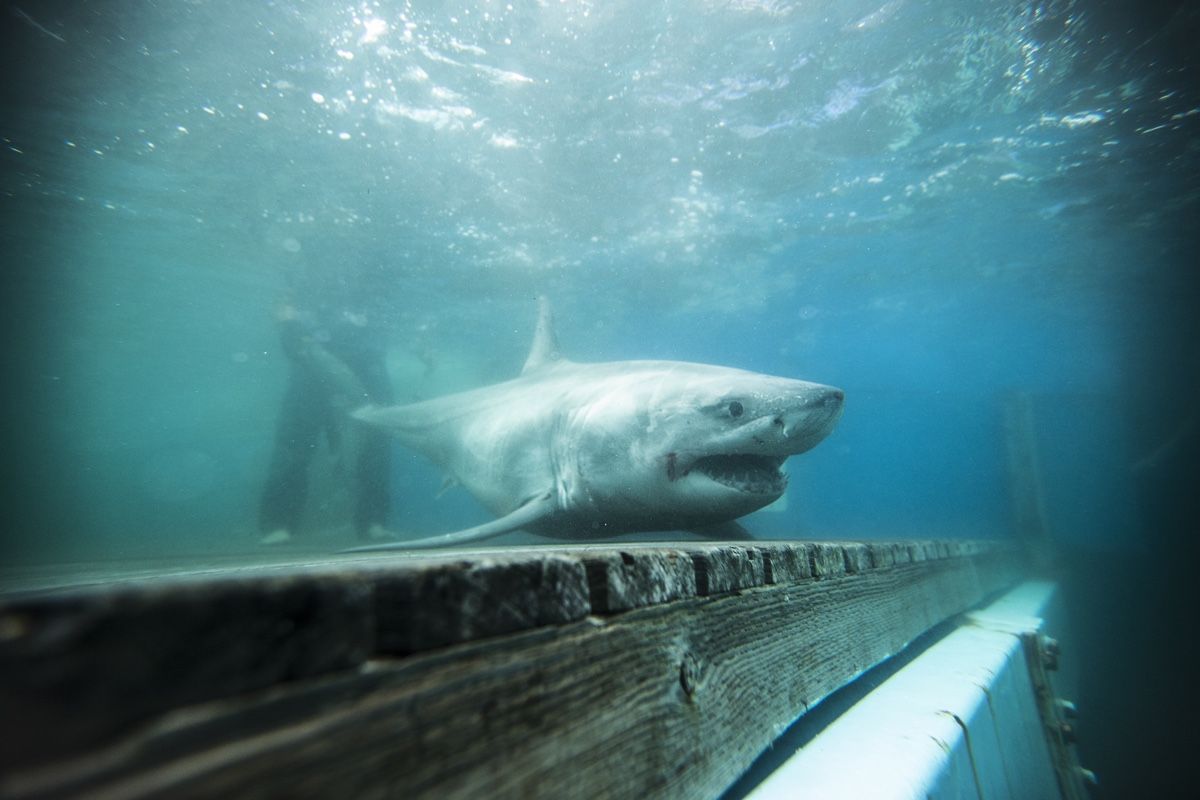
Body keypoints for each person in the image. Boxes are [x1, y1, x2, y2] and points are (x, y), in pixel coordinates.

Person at [258, 288, 396, 545]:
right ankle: (278, 523)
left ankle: (373, 521)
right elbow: (285, 314)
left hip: (364, 365)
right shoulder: (306, 276)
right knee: (293, 444)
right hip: (312, 363)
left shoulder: (371, 281)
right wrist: (288, 322)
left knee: (375, 445)